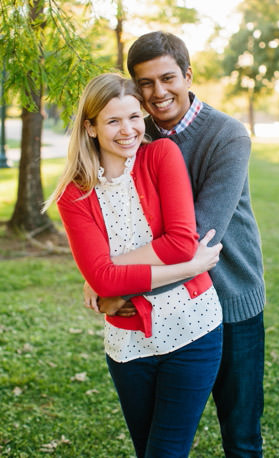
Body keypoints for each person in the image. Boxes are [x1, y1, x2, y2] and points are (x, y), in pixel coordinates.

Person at [89, 32, 267, 456]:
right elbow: (110, 214)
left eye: (168, 78)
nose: (157, 92)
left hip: (231, 299)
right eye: (145, 83)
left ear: (188, 75)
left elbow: (197, 239)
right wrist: (102, 280)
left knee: (241, 437)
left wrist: (111, 284)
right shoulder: (132, 132)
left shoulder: (228, 136)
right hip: (164, 308)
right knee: (158, 439)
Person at [45, 73, 224, 456]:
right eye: (113, 121)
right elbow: (103, 279)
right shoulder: (73, 195)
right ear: (90, 127)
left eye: (134, 117)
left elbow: (179, 244)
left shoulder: (161, 155)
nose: (127, 130)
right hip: (127, 342)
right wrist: (191, 268)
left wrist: (110, 274)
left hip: (192, 328)